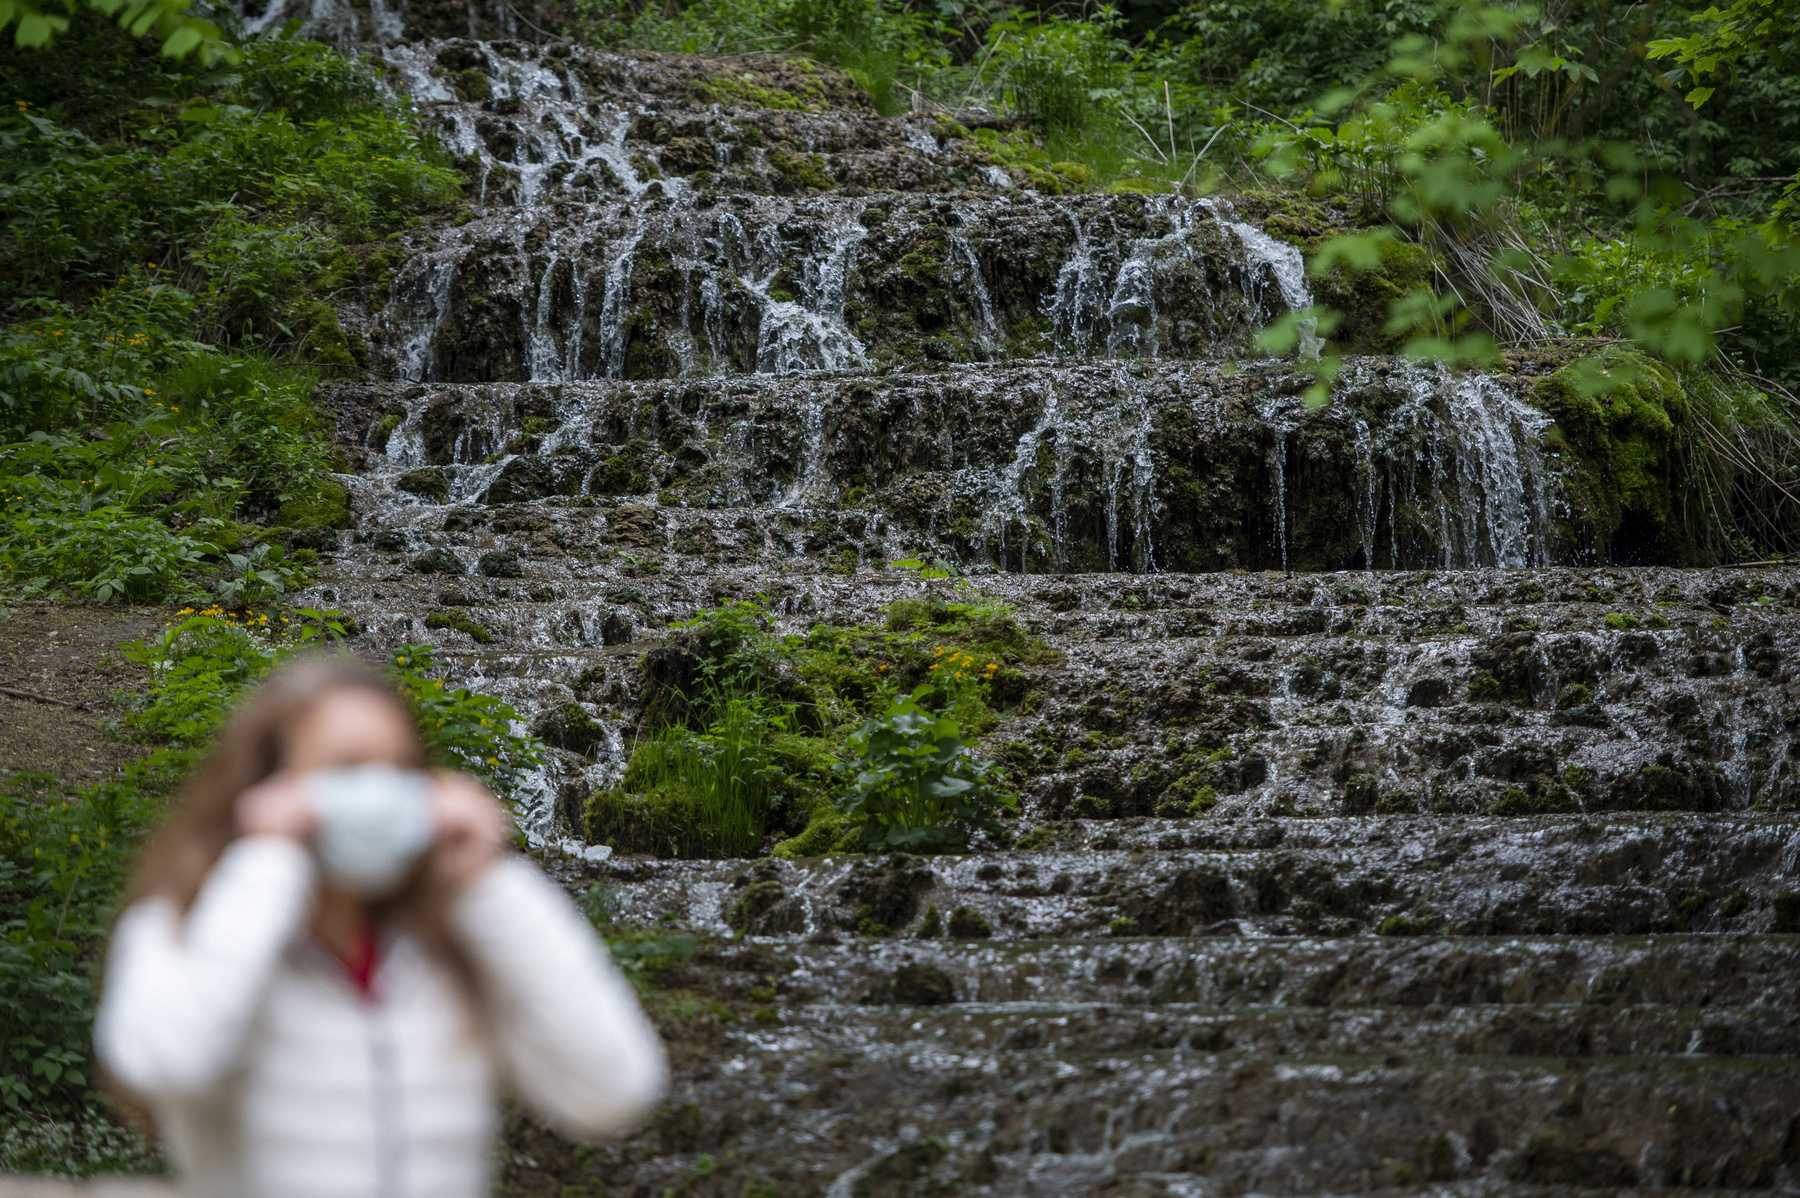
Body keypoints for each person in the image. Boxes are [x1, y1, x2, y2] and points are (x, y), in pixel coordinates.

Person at [94, 656, 666, 1198]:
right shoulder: (185, 928)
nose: (378, 790)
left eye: (399, 768)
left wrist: (488, 884)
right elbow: (163, 1061)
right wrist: (267, 859)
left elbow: (613, 1090)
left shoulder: (453, 945)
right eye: (346, 767)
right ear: (269, 785)